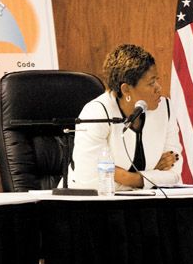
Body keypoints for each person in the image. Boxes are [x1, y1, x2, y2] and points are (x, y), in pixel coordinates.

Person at [68, 44, 183, 190]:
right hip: (90, 201)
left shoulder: (164, 108)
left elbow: (174, 175)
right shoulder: (96, 112)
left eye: (157, 80)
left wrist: (123, 176)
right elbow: (91, 180)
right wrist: (151, 175)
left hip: (147, 200)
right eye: (151, 83)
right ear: (126, 89)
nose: (158, 88)